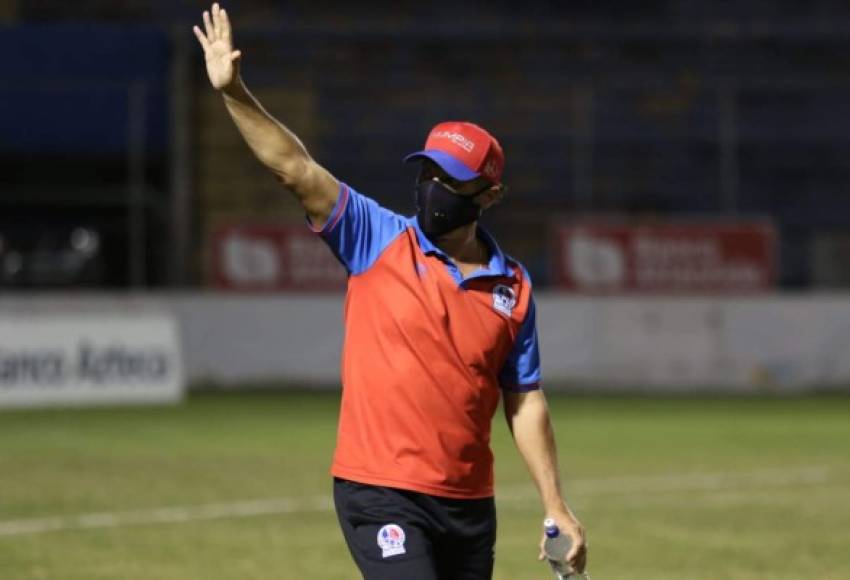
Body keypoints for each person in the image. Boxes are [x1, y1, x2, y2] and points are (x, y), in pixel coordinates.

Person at [193, 4, 587, 578]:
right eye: (428, 172)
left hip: (469, 505)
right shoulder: (375, 237)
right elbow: (295, 169)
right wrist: (234, 91)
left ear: (489, 195)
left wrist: (555, 504)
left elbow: (524, 399)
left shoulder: (514, 287)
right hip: (379, 491)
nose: (432, 188)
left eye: (450, 180)